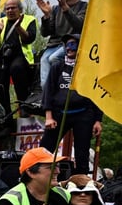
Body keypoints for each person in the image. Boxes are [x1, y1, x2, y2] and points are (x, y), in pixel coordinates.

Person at [41, 35, 102, 176]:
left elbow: (96, 94)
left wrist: (98, 120)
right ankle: (40, 177)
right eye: (67, 45)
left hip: (83, 114)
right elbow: (48, 91)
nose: (69, 48)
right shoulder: (57, 67)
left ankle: (81, 184)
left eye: (73, 44)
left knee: (82, 153)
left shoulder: (89, 69)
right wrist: (48, 116)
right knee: (45, 149)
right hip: (59, 113)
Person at [36, 0, 87, 89]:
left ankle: (60, 88)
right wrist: (47, 16)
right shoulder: (55, 9)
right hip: (54, 44)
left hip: (71, 44)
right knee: (44, 60)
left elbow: (79, 26)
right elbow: (46, 33)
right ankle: (46, 96)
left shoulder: (84, 7)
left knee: (53, 58)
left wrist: (65, 8)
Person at [0, 0, 38, 107]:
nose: (10, 11)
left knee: (17, 70)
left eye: (13, 8)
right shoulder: (1, 21)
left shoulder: (29, 19)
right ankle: (4, 117)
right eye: (7, 9)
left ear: (20, 9)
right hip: (2, 57)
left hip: (20, 56)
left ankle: (24, 108)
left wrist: (18, 26)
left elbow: (29, 39)